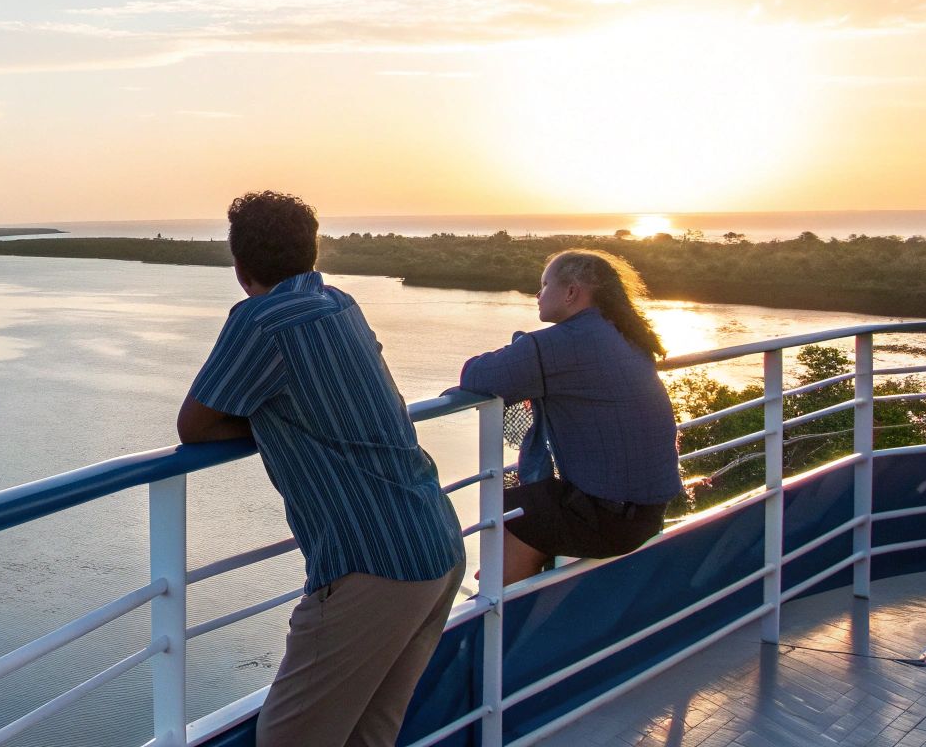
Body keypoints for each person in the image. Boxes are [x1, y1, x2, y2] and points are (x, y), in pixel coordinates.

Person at [177, 191, 464, 747]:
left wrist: (268, 418)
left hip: (372, 562)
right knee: (369, 734)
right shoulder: (339, 302)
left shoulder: (261, 320)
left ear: (240, 268)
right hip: (436, 542)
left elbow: (195, 426)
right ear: (311, 252)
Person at [457, 249, 681, 585]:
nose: (538, 295)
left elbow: (477, 375)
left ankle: (494, 615)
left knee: (517, 513)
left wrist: (521, 346)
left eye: (544, 285)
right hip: (647, 511)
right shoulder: (623, 335)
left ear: (572, 292)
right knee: (530, 507)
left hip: (612, 519)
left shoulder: (564, 343)